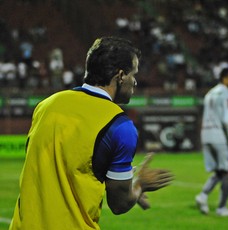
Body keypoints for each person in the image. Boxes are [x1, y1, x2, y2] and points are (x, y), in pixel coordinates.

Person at [9, 37, 174, 230]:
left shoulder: (47, 105)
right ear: (120, 76)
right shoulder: (120, 126)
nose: (135, 82)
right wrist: (140, 185)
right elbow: (119, 203)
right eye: (133, 74)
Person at [195, 67, 228, 217]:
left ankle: (202, 196)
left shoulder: (210, 93)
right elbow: (227, 119)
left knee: (220, 171)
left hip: (206, 135)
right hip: (219, 136)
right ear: (224, 78)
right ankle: (222, 208)